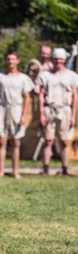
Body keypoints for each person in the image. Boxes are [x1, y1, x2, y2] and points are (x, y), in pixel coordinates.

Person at [0, 52, 34, 178]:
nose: (11, 62)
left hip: (16, 109)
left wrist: (24, 115)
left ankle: (15, 170)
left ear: (18, 61)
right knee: (2, 140)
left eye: (13, 59)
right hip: (2, 109)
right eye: (8, 59)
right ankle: (1, 170)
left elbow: (27, 98)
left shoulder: (23, 78)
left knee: (15, 141)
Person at [39, 48, 78, 176]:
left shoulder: (71, 76)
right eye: (56, 59)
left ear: (64, 60)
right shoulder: (45, 75)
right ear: (53, 59)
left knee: (64, 141)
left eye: (60, 59)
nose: (58, 61)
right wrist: (41, 113)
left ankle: (65, 168)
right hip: (49, 109)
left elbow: (75, 96)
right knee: (48, 140)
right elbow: (40, 95)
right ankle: (45, 168)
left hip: (64, 110)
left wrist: (73, 115)